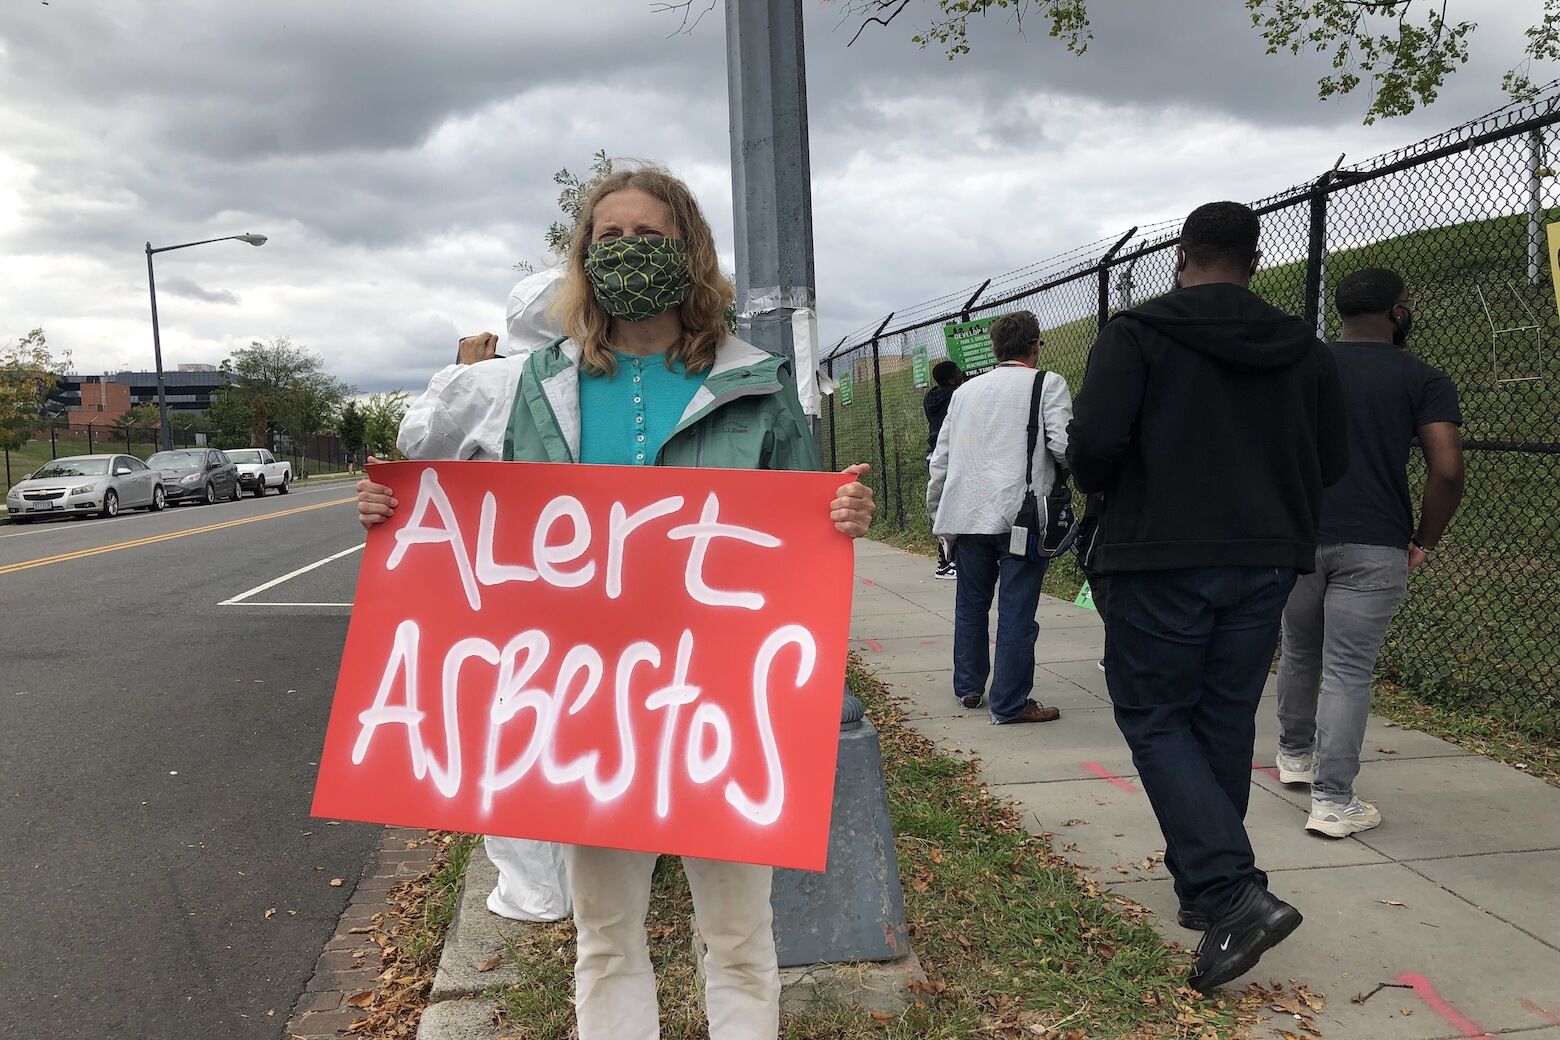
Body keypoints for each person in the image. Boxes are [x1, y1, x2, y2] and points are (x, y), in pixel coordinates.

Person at [357, 162, 876, 1040]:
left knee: (741, 937)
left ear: (688, 250)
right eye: (611, 237)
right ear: (585, 257)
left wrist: (843, 514)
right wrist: (393, 510)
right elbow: (490, 518)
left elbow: (799, 528)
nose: (629, 250)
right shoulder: (540, 385)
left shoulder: (755, 381)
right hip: (590, 702)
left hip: (720, 699)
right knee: (604, 937)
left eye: (649, 235)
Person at [1067, 201, 1348, 993]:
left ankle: (1231, 893)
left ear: (1180, 256)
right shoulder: (1305, 348)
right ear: (1254, 261)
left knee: (1155, 716)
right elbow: (1331, 459)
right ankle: (1205, 890)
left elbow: (1093, 448)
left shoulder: (1136, 334)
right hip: (1266, 557)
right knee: (1222, 717)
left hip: (1157, 553)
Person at [1275, 267, 1463, 838]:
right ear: (1396, 313)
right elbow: (1446, 468)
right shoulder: (1422, 377)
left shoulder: (1302, 365)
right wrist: (1424, 540)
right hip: (1376, 538)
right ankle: (1333, 801)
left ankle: (1294, 754)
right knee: (1348, 671)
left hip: (1298, 535)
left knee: (1299, 649)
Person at [927, 310, 1070, 725]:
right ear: (1035, 345)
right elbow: (1063, 447)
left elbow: (942, 459)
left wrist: (938, 514)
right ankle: (1010, 702)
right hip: (1021, 515)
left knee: (971, 604)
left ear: (994, 348)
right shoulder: (1047, 384)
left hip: (968, 513)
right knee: (1016, 609)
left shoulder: (964, 393)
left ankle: (969, 688)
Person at [923, 360, 965, 579]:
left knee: (942, 507)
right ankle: (948, 562)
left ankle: (945, 561)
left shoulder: (930, 397)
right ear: (951, 380)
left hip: (933, 455)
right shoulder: (955, 398)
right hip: (949, 455)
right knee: (953, 508)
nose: (962, 374)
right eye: (958, 373)